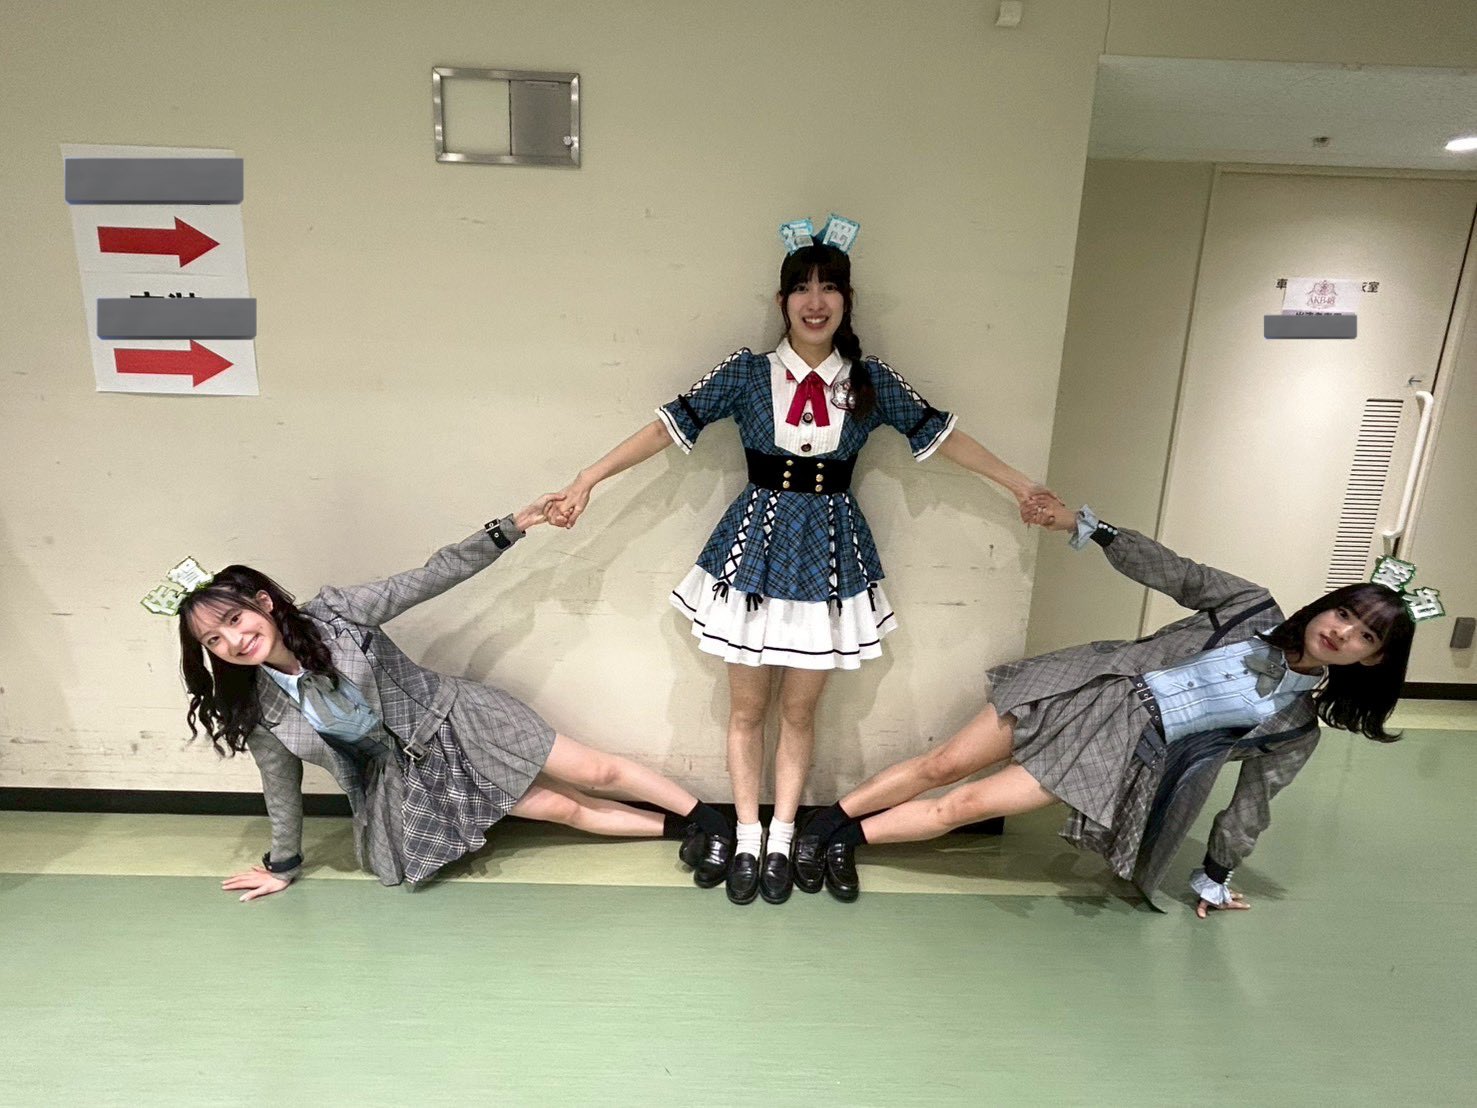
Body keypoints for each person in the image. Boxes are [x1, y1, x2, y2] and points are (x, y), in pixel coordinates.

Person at [548, 218, 1057, 904]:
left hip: (829, 557)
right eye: (802, 288)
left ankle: (784, 836)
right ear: (782, 300)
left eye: (829, 288)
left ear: (847, 300)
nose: (815, 302)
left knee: (798, 712)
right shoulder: (747, 373)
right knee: (745, 710)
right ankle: (748, 835)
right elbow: (665, 428)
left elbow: (944, 435)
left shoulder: (869, 381)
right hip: (752, 550)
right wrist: (587, 478)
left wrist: (1021, 486)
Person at [794, 502, 1431, 914]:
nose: (1343, 633)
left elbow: (1251, 804)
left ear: (1373, 661)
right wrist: (1090, 527)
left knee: (966, 805)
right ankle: (819, 831)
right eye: (1344, 613)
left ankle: (844, 842)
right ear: (1325, 606)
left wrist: (1215, 874)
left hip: (1117, 751)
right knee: (942, 766)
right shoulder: (1250, 606)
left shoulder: (1294, 727)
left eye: (1366, 636)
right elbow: (1174, 572)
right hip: (1087, 686)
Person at [146, 495, 727, 901]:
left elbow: (429, 577)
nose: (233, 641)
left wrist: (510, 527)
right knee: (560, 808)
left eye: (234, 620)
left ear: (263, 605)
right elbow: (280, 788)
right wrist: (283, 864)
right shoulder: (260, 710)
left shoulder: (337, 614)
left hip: (457, 718)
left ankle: (712, 821)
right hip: (407, 775)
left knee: (594, 771)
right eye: (213, 640)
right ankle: (684, 833)